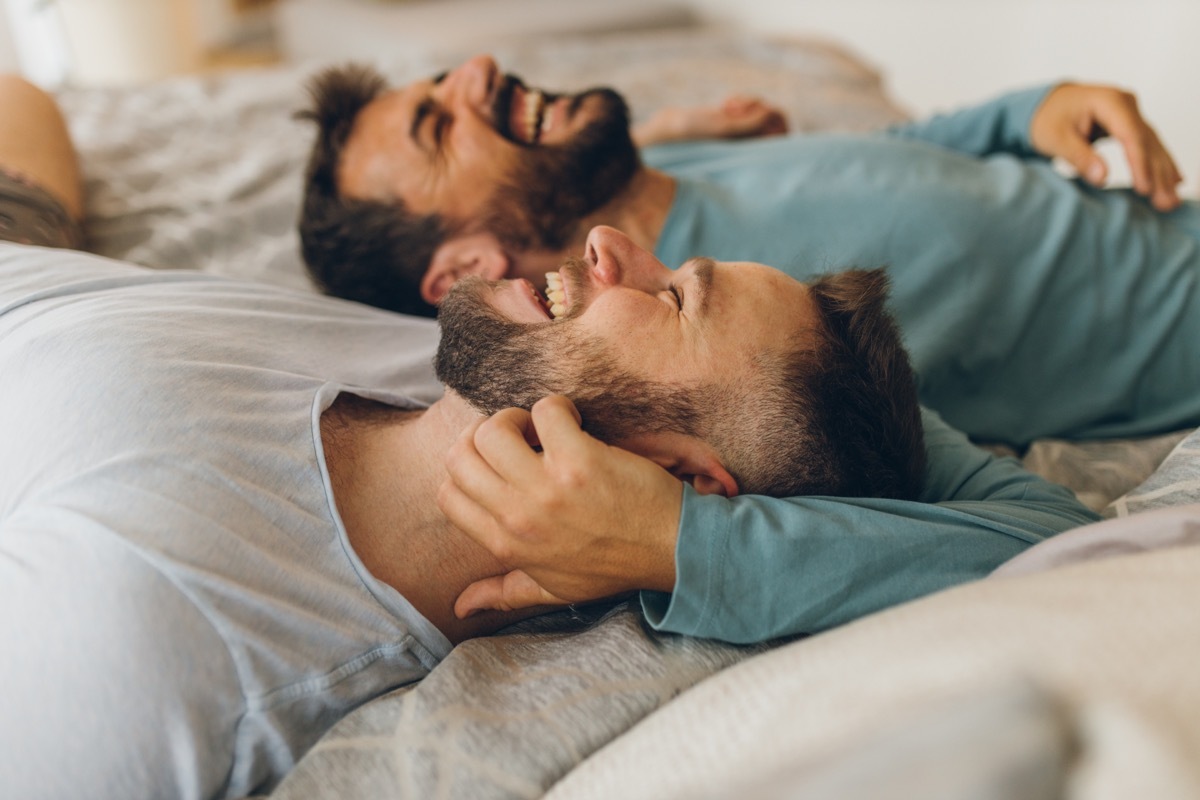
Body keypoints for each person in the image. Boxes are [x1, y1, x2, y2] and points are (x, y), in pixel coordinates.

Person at [0, 75, 1096, 799]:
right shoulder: (465, 346)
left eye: (674, 301)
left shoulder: (142, 654)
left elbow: (1053, 551)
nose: (614, 242)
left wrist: (690, 548)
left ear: (685, 477)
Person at [297, 56, 1200, 449]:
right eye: (438, 124)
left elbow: (888, 165)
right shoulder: (732, 340)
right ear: (460, 273)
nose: (479, 70)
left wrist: (1025, 112)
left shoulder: (645, 171)